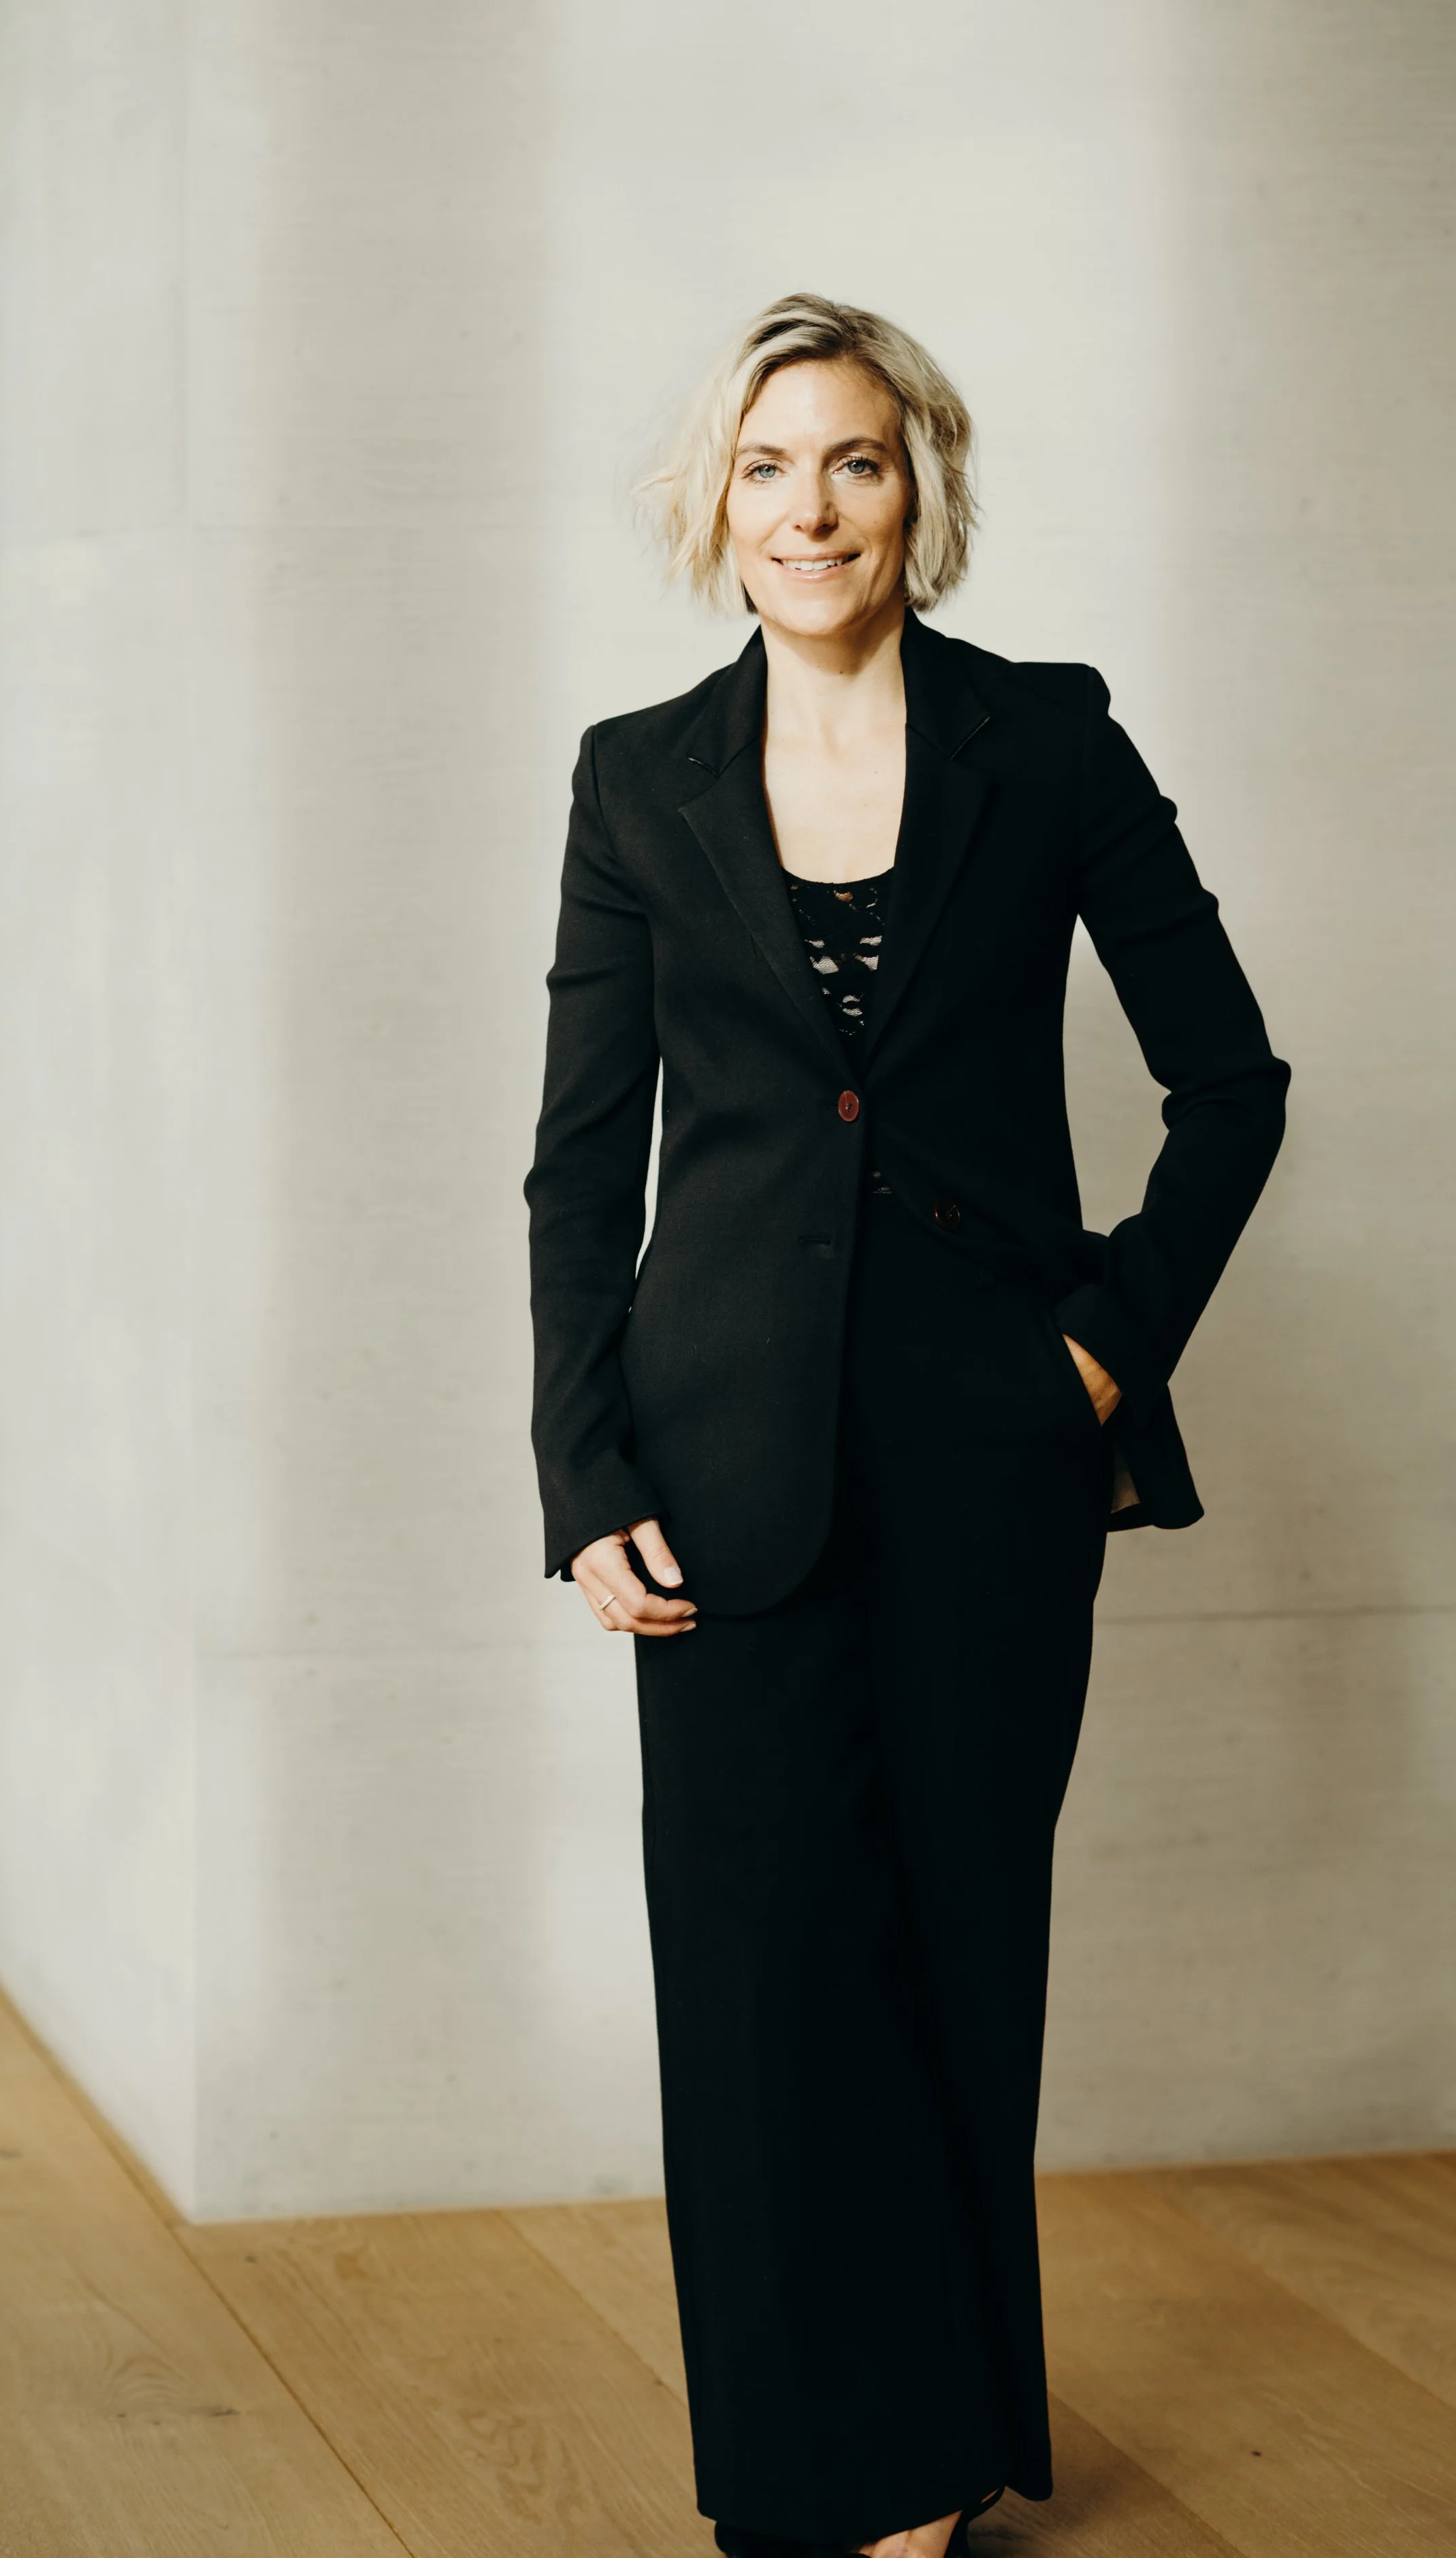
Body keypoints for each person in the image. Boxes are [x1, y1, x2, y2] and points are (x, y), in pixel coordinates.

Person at [524, 293, 1288, 2558]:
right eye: (766, 466)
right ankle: (808, 2473)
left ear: (914, 486)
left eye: (851, 460)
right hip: (716, 1461)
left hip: (987, 1462)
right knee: (755, 1978)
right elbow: (580, 1161)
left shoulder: (1042, 740)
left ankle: (933, 2459)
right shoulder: (635, 775)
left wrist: (1096, 1350)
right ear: (715, 501)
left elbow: (1230, 1083)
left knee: (952, 1942)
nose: (808, 508)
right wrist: (583, 1472)